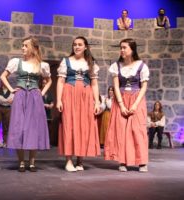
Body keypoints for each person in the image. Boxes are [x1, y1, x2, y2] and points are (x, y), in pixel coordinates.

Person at [0, 36, 52, 172]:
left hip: (35, 97)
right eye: (22, 45)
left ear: (34, 48)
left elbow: (49, 80)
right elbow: (3, 76)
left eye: (25, 45)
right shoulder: (16, 62)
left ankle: (32, 162)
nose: (23, 48)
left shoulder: (42, 65)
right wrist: (12, 90)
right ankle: (21, 162)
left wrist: (42, 92)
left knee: (33, 128)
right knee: (19, 127)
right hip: (21, 95)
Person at [104, 38, 150, 173]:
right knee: (121, 131)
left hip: (137, 100)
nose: (122, 50)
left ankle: (142, 162)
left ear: (132, 49)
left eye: (124, 47)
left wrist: (135, 105)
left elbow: (143, 87)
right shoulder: (116, 66)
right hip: (121, 99)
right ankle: (122, 161)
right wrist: (121, 105)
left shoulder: (141, 66)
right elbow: (116, 87)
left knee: (138, 130)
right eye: (121, 48)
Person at [57, 36, 101, 172]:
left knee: (84, 126)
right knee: (69, 125)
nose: (76, 47)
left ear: (85, 47)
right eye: (75, 44)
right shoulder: (66, 61)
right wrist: (59, 99)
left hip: (86, 96)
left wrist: (97, 102)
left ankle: (80, 160)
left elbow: (94, 84)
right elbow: (60, 81)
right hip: (69, 94)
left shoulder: (91, 63)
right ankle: (69, 160)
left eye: (80, 44)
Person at [41, 79, 54, 145]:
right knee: (41, 130)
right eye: (43, 83)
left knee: (48, 129)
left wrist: (51, 105)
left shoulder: (50, 93)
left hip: (48, 114)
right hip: (40, 115)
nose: (45, 85)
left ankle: (47, 143)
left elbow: (52, 103)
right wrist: (44, 105)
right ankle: (41, 143)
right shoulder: (39, 92)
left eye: (46, 83)